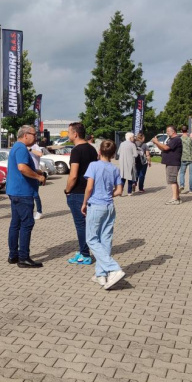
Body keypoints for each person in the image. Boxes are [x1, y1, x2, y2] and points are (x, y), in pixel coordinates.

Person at [81, 140, 125, 290]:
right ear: (113, 154)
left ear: (99, 151)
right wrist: (108, 194)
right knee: (105, 240)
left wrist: (84, 202)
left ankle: (114, 268)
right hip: (109, 206)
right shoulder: (114, 169)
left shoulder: (93, 165)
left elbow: (89, 187)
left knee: (91, 239)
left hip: (96, 205)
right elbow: (119, 191)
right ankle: (101, 274)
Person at [6, 125, 46, 268]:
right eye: (34, 135)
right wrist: (38, 177)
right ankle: (23, 257)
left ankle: (13, 255)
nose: (36, 137)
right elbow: (22, 168)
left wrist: (35, 170)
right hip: (22, 192)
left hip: (15, 191)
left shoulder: (16, 147)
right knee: (27, 224)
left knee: (15, 224)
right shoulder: (22, 148)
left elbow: (22, 166)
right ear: (25, 135)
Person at [64, 122, 99, 265]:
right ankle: (85, 249)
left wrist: (67, 190)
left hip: (77, 192)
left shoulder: (76, 151)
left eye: (68, 132)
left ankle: (85, 254)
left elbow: (73, 175)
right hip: (90, 191)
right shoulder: (92, 149)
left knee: (80, 224)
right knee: (88, 223)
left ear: (75, 134)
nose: (67, 134)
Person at [152, 126, 183, 204]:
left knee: (172, 181)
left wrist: (156, 142)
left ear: (173, 131)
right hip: (170, 163)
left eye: (168, 131)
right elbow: (163, 148)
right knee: (173, 180)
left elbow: (166, 148)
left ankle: (174, 199)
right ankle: (177, 197)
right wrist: (156, 143)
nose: (167, 132)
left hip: (173, 163)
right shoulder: (171, 139)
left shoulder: (176, 139)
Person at [178, 126, 192, 194]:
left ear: (181, 130)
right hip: (191, 158)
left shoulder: (179, 139)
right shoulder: (191, 139)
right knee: (191, 173)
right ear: (187, 130)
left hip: (183, 158)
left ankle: (182, 185)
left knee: (182, 173)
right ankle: (191, 189)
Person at [29, 140, 44, 220]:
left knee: (35, 194)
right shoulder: (23, 146)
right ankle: (30, 211)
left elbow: (40, 154)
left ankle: (39, 211)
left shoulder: (35, 146)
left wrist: (30, 150)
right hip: (28, 172)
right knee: (29, 194)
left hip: (35, 172)